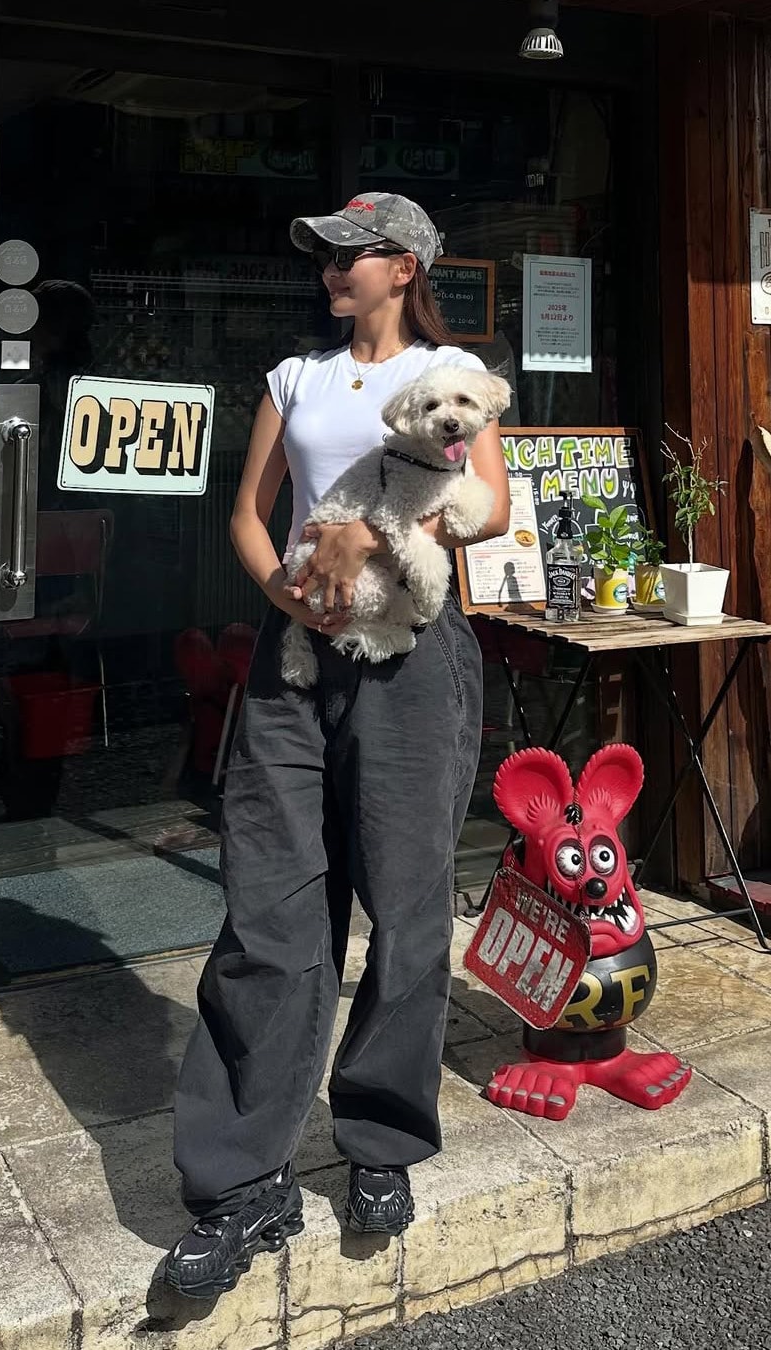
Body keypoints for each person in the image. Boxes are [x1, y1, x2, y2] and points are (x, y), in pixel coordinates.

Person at [164, 193, 510, 1300]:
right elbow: (248, 512)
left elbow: (493, 502)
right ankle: (240, 1178)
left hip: (413, 656)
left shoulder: (451, 374)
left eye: (348, 255)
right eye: (321, 256)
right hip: (296, 654)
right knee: (268, 906)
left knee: (407, 909)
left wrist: (373, 533)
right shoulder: (294, 378)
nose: (328, 270)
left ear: (404, 266)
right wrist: (282, 593)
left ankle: (382, 1142)